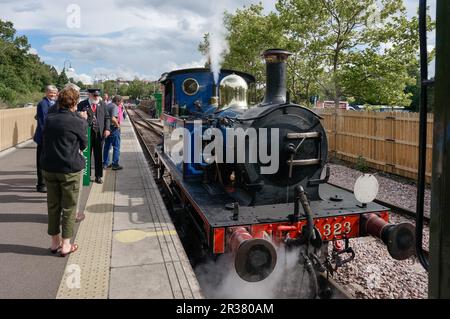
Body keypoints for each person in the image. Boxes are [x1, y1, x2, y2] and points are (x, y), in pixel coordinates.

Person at [40, 86, 88, 257]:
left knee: (53, 206)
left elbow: (44, 139)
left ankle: (54, 243)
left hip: (49, 167)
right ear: (75, 102)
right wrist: (83, 120)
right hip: (69, 169)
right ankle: (66, 245)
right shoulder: (78, 121)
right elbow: (84, 145)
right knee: (69, 207)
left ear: (59, 101)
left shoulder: (50, 118)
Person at [77, 89, 111, 184]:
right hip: (87, 133)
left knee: (98, 155)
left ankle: (98, 176)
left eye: (97, 95)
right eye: (94, 96)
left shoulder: (102, 104)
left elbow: (107, 117)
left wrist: (107, 129)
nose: (96, 97)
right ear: (89, 95)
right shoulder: (82, 104)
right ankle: (86, 176)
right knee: (86, 155)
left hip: (99, 134)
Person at [33, 85, 58, 193]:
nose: (52, 95)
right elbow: (43, 122)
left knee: (50, 161)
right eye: (50, 92)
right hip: (44, 138)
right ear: (46, 93)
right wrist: (48, 137)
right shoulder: (43, 104)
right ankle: (41, 184)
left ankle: (48, 183)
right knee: (41, 161)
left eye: (54, 93)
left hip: (51, 137)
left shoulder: (56, 103)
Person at [103, 95, 123, 170]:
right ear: (117, 101)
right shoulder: (115, 107)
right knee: (116, 147)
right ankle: (115, 164)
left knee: (107, 146)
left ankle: (105, 163)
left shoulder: (108, 105)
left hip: (107, 128)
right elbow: (113, 118)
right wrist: (118, 126)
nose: (121, 103)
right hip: (113, 129)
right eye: (120, 102)